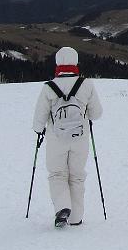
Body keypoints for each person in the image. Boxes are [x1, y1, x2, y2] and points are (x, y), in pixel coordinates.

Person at [32, 46, 103, 228]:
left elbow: (39, 119)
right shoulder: (86, 84)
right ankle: (76, 218)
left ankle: (63, 207)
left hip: (56, 139)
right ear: (75, 62)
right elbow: (96, 113)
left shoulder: (49, 87)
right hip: (80, 138)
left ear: (57, 63)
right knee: (77, 176)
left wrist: (39, 131)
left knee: (57, 174)